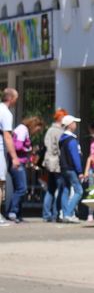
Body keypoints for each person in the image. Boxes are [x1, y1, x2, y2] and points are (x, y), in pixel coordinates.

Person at [5, 114, 40, 223]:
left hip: (17, 162)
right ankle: (13, 212)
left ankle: (17, 214)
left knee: (18, 189)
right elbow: (18, 146)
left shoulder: (21, 129)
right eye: (37, 129)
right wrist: (29, 148)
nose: (37, 132)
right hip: (17, 163)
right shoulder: (23, 130)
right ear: (34, 125)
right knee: (22, 189)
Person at [57, 114, 85, 223]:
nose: (76, 125)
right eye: (74, 123)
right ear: (70, 125)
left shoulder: (62, 139)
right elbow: (75, 157)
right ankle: (68, 214)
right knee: (79, 191)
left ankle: (64, 214)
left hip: (63, 168)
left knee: (65, 190)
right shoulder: (72, 140)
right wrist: (80, 171)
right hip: (71, 169)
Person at [42, 109, 67, 222]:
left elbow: (46, 144)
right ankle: (56, 214)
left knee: (50, 189)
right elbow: (59, 148)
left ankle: (46, 214)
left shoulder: (50, 130)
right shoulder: (60, 131)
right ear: (61, 118)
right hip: (57, 163)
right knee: (60, 189)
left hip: (48, 162)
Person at [0, 88, 14, 227]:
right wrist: (14, 157)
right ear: (11, 99)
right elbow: (7, 136)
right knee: (0, 183)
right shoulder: (6, 113)